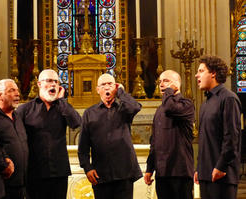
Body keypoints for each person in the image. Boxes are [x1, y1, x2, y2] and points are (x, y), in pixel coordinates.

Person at [16, 69, 81, 199]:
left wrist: (62, 100)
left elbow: (76, 123)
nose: (53, 85)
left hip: (59, 172)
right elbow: (18, 139)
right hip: (34, 172)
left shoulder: (62, 107)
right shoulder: (25, 109)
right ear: (39, 84)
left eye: (56, 82)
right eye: (49, 81)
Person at [78, 73, 142, 199]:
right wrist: (87, 168)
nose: (107, 87)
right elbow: (83, 146)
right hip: (101, 175)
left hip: (124, 173)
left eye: (110, 84)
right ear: (98, 90)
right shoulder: (89, 113)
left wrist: (121, 92)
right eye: (103, 85)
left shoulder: (124, 109)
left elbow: (136, 107)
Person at [194, 55, 242, 199]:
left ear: (213, 73)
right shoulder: (205, 103)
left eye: (201, 71)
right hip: (206, 173)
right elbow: (204, 140)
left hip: (222, 175)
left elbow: (231, 138)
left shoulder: (228, 98)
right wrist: (199, 168)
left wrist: (220, 166)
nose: (197, 75)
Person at [144, 70, 195, 199]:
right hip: (162, 172)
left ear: (177, 84)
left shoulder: (186, 104)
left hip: (180, 171)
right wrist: (150, 168)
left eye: (166, 81)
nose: (161, 84)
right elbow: (154, 142)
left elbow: (170, 108)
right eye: (160, 81)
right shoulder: (159, 110)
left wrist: (169, 91)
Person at [0, 79, 28, 199]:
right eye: (12, 90)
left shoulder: (18, 116)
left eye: (17, 90)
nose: (17, 93)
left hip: (22, 183)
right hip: (3, 184)